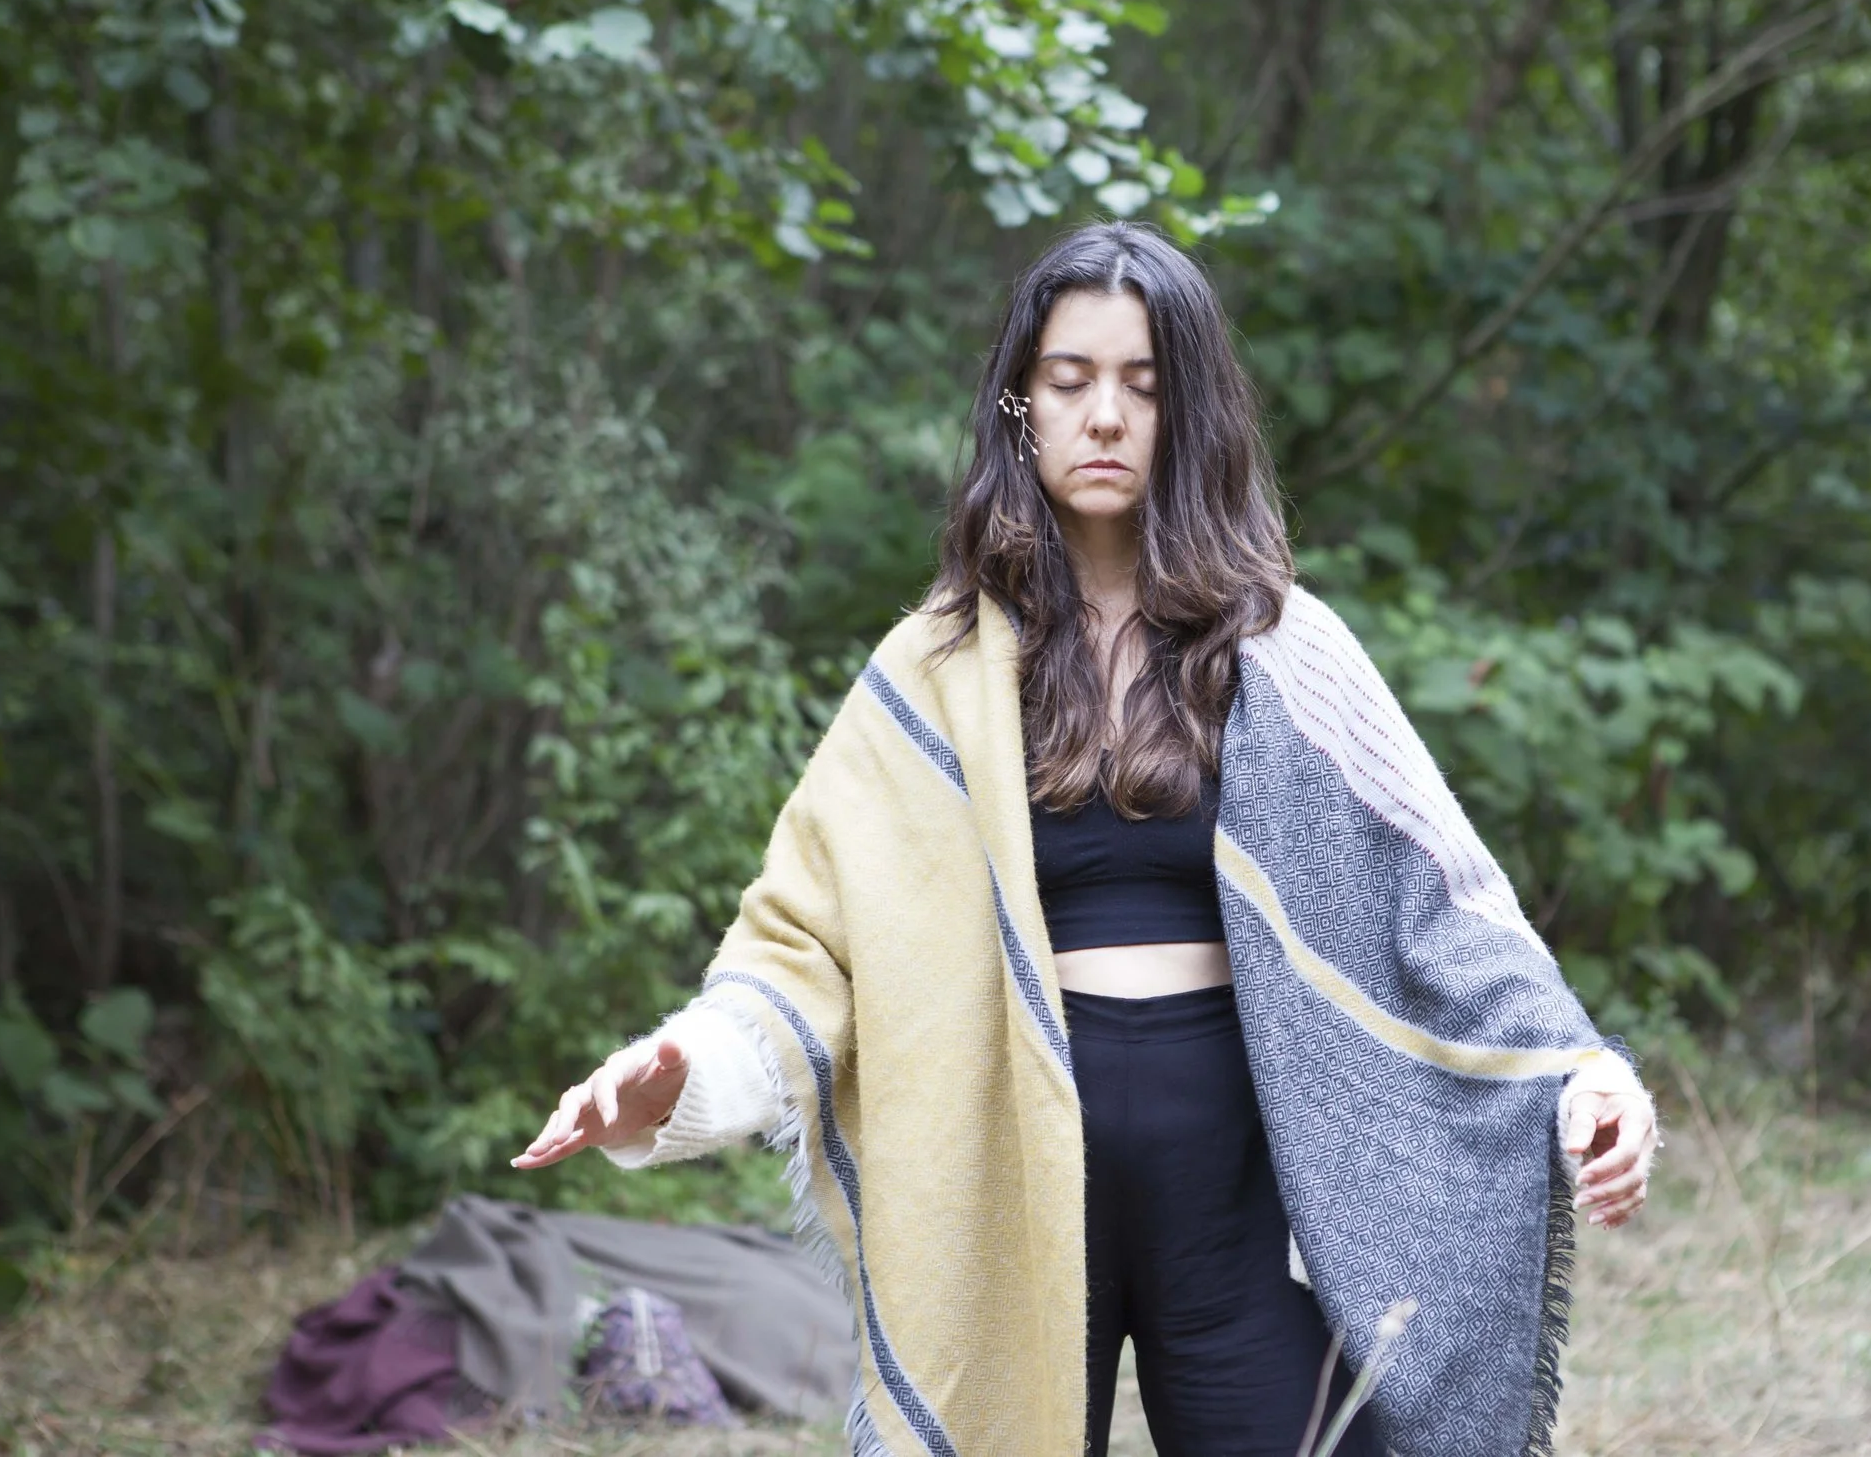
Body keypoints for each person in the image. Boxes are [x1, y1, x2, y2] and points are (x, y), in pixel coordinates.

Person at [513, 221, 1658, 1457]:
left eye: (1143, 383)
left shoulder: (1287, 648)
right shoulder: (931, 671)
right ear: (1022, 406)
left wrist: (1583, 1072)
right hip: (1006, 1192)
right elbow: (804, 943)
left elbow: (1442, 902)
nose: (1105, 414)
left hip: (1226, 1196)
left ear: (1190, 413)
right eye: (1070, 381)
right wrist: (683, 1068)